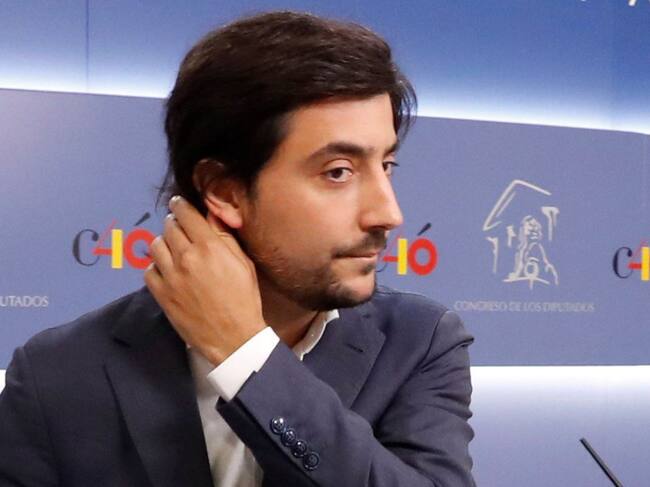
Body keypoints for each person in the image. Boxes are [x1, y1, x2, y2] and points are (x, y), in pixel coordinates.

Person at [0, 11, 475, 487]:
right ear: (224, 191)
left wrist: (247, 356)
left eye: (386, 165)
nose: (388, 213)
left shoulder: (419, 341)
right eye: (338, 172)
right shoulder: (56, 374)